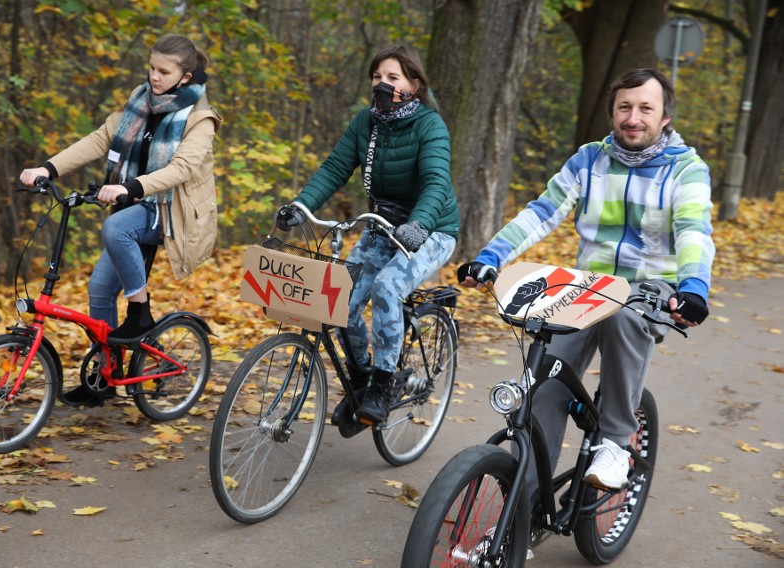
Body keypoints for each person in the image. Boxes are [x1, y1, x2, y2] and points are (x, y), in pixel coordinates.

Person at [459, 68, 715, 490]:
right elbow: (542, 213)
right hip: (589, 286)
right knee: (544, 380)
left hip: (652, 288)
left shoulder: (686, 170)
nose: (633, 117)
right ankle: (524, 504)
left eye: (645, 108)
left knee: (622, 317)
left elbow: (692, 232)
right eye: (624, 107)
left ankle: (614, 443)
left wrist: (694, 288)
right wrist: (490, 257)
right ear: (613, 112)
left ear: (665, 115)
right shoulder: (590, 158)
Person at [20, 34, 222, 406]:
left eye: (164, 71)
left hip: (170, 212)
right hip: (135, 203)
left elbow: (181, 169)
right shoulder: (139, 103)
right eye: (151, 68)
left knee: (115, 227)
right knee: (98, 290)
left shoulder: (199, 119)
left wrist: (132, 187)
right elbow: (100, 139)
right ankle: (104, 376)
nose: (154, 77)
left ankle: (140, 312)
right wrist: (48, 167)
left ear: (186, 76)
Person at [276, 44, 460, 426]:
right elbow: (334, 168)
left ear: (414, 83)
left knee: (387, 287)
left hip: (430, 230)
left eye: (393, 78)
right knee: (339, 303)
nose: (383, 84)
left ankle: (383, 382)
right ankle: (360, 377)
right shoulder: (366, 122)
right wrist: (300, 206)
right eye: (377, 77)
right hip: (381, 225)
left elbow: (436, 181)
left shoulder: (430, 124)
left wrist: (420, 224)